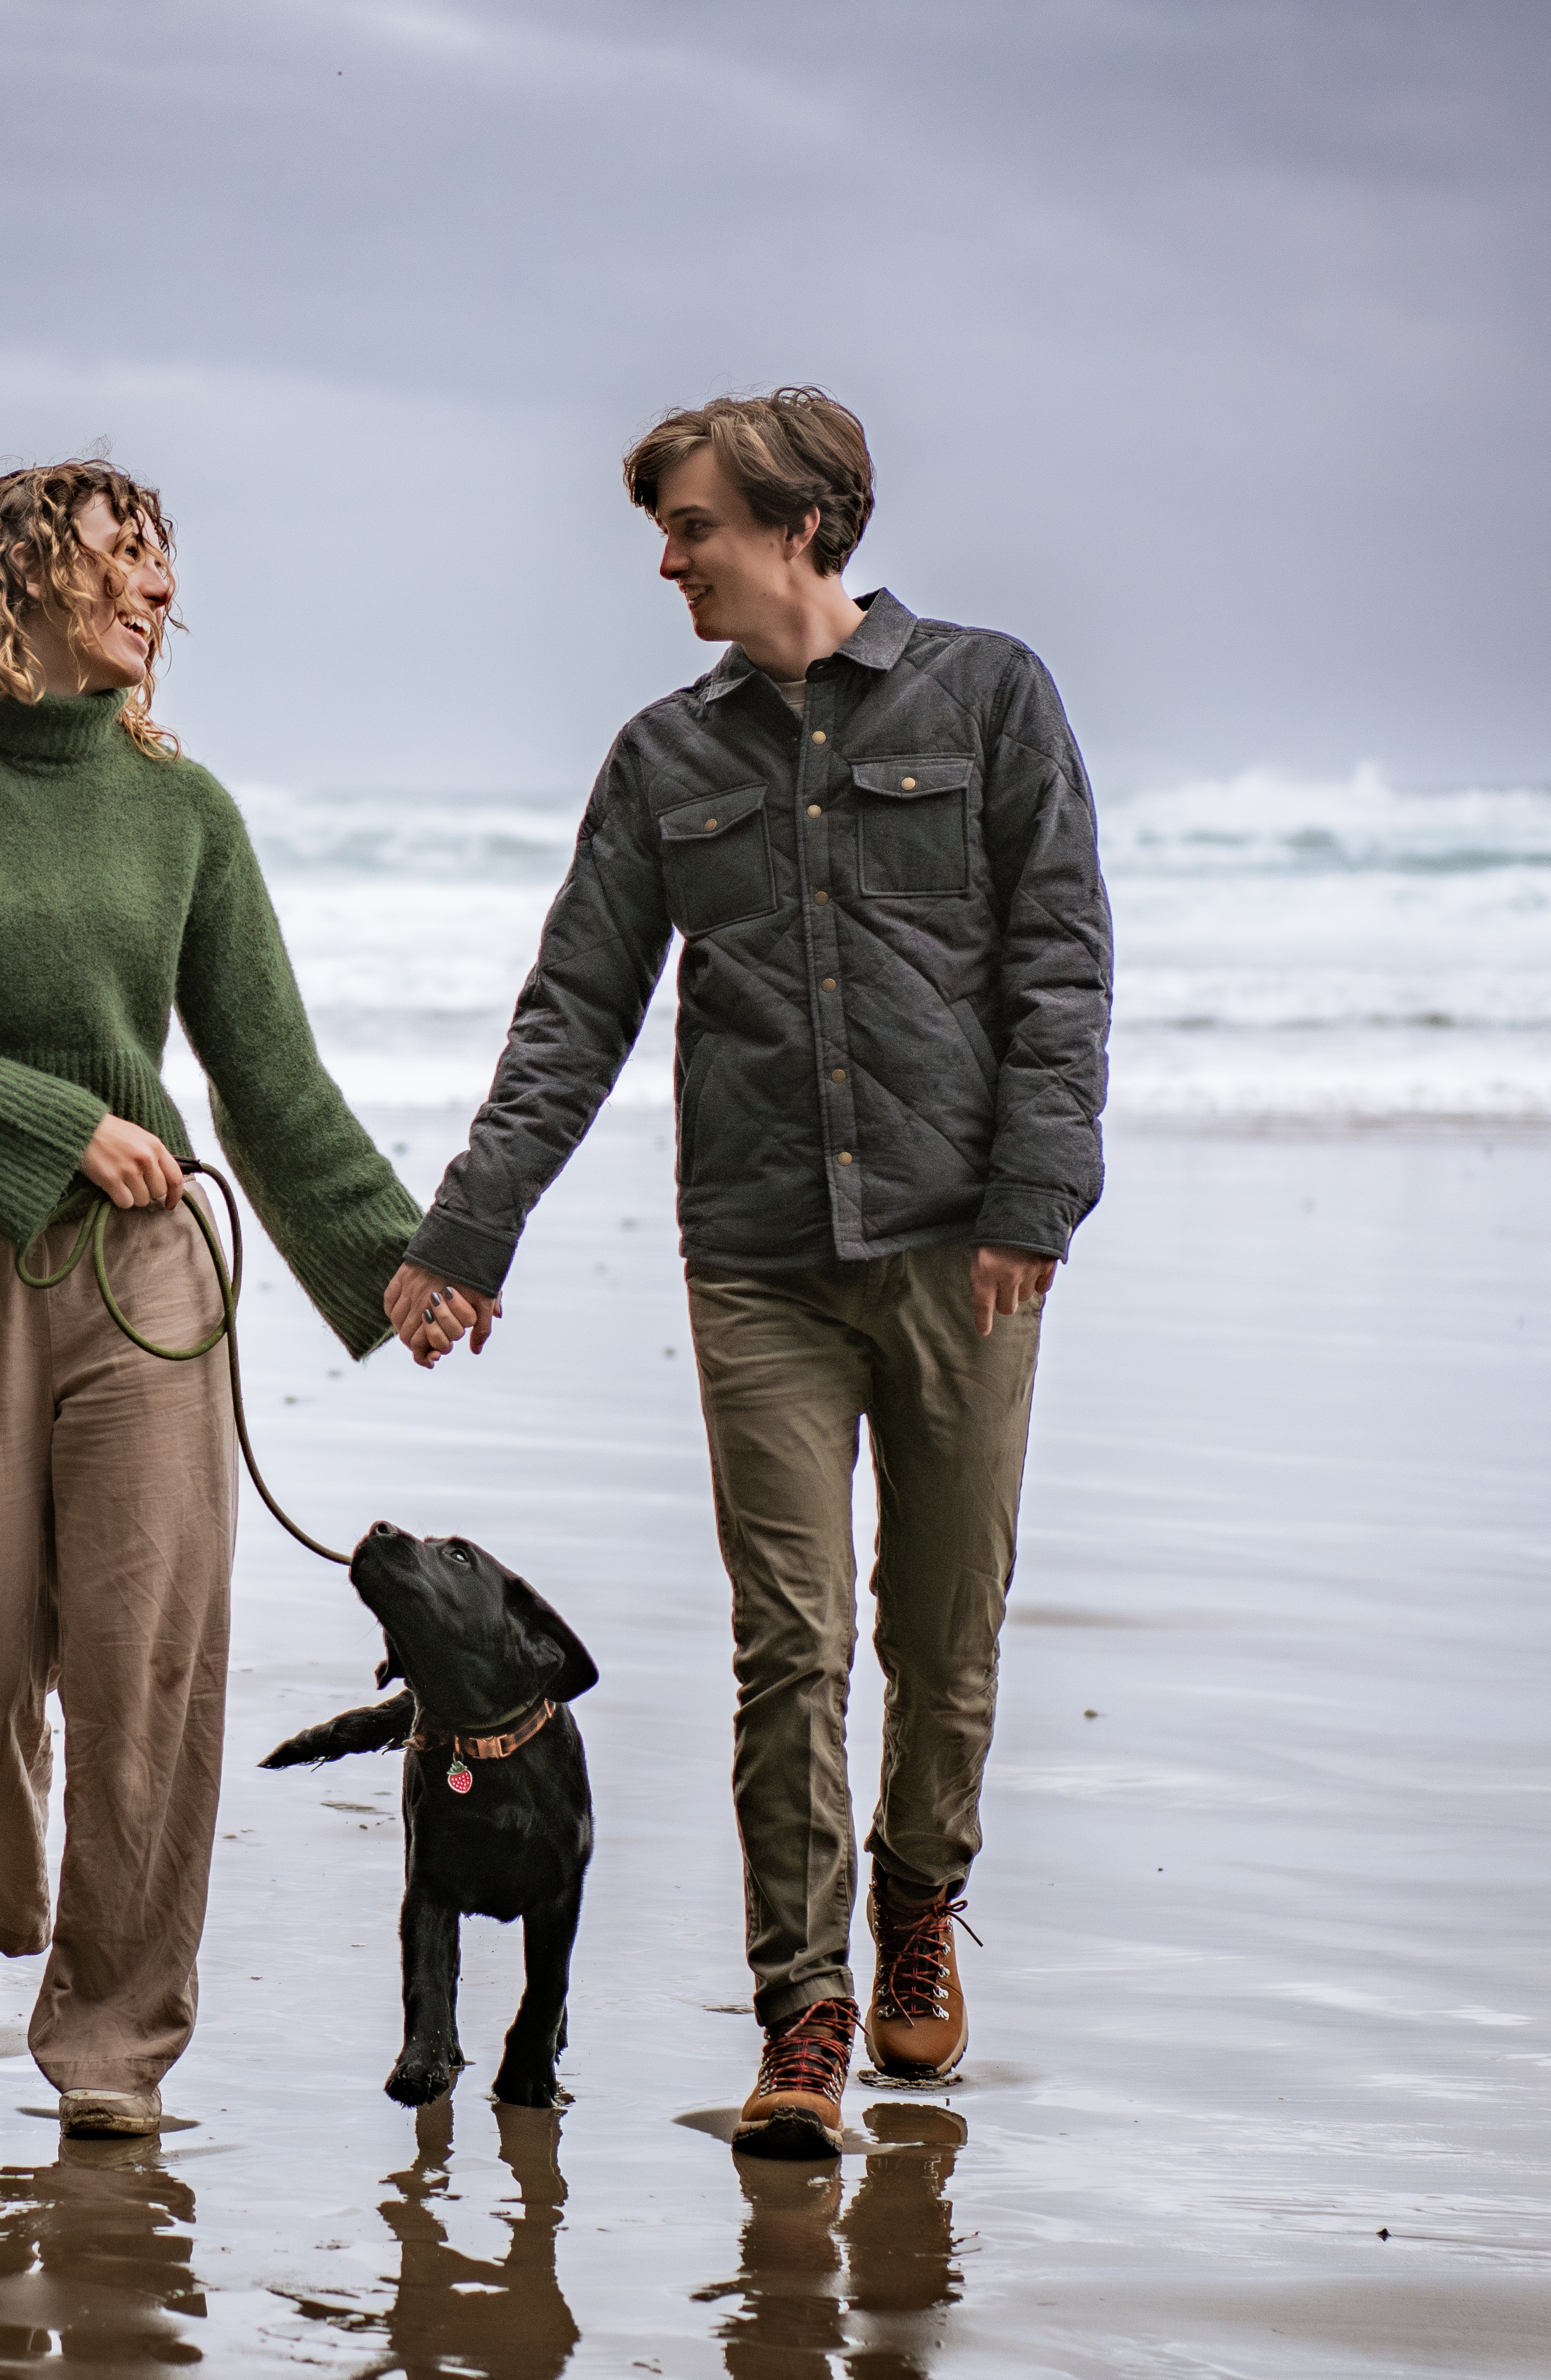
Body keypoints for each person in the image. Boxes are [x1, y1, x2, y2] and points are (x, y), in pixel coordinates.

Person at [384, 390, 1111, 2159]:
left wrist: (1035, 1194)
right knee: (790, 1641)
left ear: (798, 522)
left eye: (692, 523)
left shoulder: (990, 695)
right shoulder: (660, 761)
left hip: (963, 1248)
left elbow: (1059, 960)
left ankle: (919, 1892)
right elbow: (573, 1012)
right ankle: (804, 2012)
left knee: (945, 1624)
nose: (667, 558)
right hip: (761, 1263)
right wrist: (469, 1231)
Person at [0, 462, 419, 2138]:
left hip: (151, 1283)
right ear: (19, 578)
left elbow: (272, 1080)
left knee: (147, 1664)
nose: (156, 597)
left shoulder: (181, 812)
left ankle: (114, 2048)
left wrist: (400, 1261)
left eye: (164, 570)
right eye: (119, 563)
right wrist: (66, 1122)